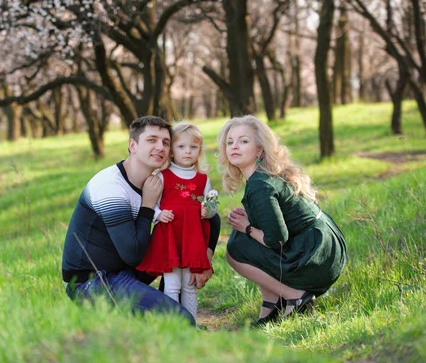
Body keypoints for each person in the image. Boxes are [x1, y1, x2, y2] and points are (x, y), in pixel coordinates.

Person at [62, 116, 216, 326]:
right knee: (181, 322)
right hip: (93, 281)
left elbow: (207, 218)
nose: (160, 147)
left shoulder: (157, 181)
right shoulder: (111, 187)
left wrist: (205, 258)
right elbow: (132, 254)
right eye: (152, 140)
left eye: (165, 142)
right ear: (132, 146)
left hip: (125, 271)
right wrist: (148, 206)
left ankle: (158, 302)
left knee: (177, 310)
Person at [217, 115, 347, 326]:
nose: (234, 146)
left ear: (259, 149)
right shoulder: (263, 175)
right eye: (230, 142)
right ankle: (273, 302)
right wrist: (249, 221)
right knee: (241, 238)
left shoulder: (260, 184)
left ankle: (296, 296)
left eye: (243, 141)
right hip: (323, 248)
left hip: (316, 256)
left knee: (235, 249)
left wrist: (247, 227)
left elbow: (276, 240)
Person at [136, 122, 217, 320]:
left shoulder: (203, 179)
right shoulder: (163, 176)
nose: (187, 152)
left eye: (193, 147)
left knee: (189, 286)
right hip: (170, 238)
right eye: (181, 147)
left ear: (199, 150)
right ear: (171, 151)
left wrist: (209, 211)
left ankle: (191, 324)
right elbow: (149, 202)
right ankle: (173, 323)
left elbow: (211, 210)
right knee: (172, 285)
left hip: (192, 239)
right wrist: (158, 214)